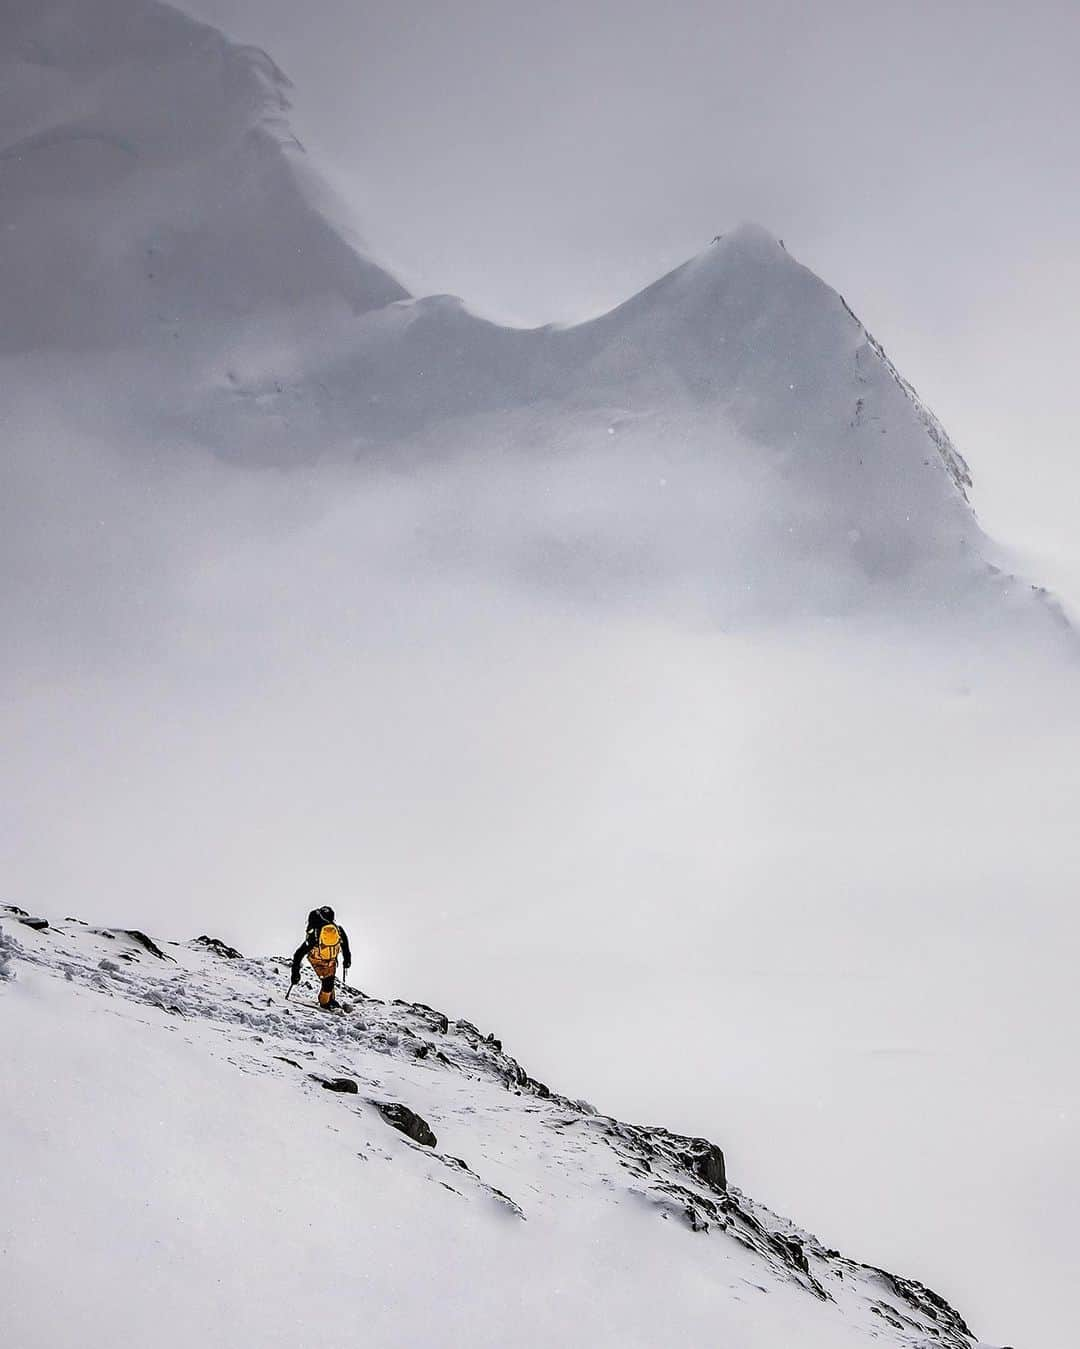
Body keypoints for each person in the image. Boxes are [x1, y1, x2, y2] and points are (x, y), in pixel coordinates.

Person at [290, 905, 351, 1009]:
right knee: (328, 982)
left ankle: (329, 1000)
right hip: (325, 960)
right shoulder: (337, 931)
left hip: (320, 959)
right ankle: (325, 1003)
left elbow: (299, 954)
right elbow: (345, 946)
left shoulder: (315, 935)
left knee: (329, 981)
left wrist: (295, 973)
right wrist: (347, 959)